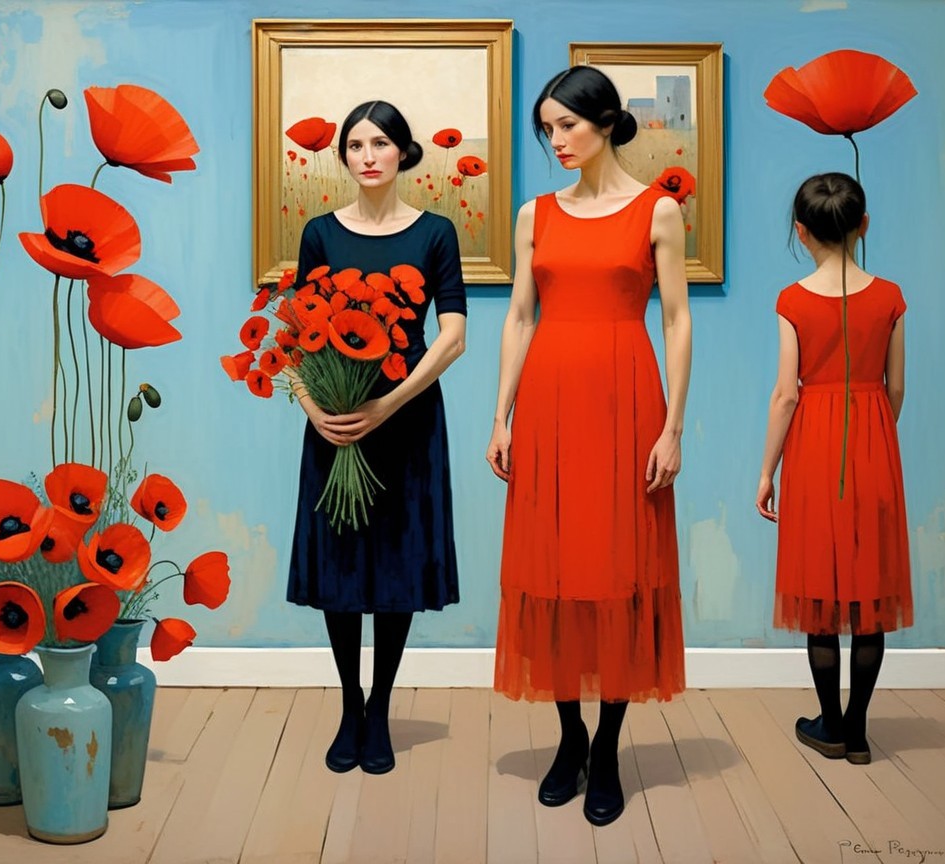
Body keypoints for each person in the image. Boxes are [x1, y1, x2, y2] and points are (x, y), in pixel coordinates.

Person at [486, 66, 691, 826]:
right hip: (547, 405)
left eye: (566, 125)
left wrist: (672, 424)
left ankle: (607, 748)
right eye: (546, 129)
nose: (555, 141)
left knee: (619, 568)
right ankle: (569, 737)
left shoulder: (658, 211)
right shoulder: (534, 212)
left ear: (605, 122)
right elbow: (519, 318)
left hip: (627, 400)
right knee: (554, 567)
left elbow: (674, 320)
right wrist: (502, 416)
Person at [287, 100, 467, 775]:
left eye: (382, 143)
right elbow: (295, 332)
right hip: (332, 421)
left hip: (407, 415)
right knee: (339, 568)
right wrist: (312, 409)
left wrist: (388, 404)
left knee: (394, 567)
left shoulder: (436, 233)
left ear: (404, 154)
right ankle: (348, 704)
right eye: (356, 144)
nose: (368, 155)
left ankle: (381, 709)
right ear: (343, 157)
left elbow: (452, 335)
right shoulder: (319, 233)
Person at [756, 172, 911, 765]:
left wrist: (768, 470)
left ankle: (831, 725)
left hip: (815, 446)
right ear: (862, 224)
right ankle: (860, 731)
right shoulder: (892, 297)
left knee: (820, 590)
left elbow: (786, 395)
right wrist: (872, 432)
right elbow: (896, 386)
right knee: (869, 591)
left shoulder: (792, 300)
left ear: (801, 231)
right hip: (873, 440)